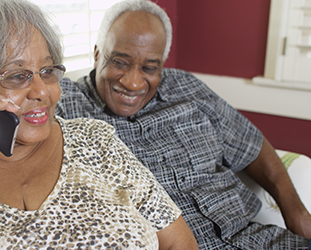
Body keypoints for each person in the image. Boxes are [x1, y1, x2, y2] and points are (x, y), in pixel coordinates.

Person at [0, 0, 198, 249]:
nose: (43, 91)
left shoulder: (96, 140)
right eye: (17, 75)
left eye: (46, 71)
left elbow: (178, 242)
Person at [53, 0, 311, 249]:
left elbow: (251, 145)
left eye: (149, 67)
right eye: (119, 62)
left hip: (258, 239)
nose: (132, 82)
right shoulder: (64, 106)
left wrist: (297, 213)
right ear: (98, 54)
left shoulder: (186, 87)